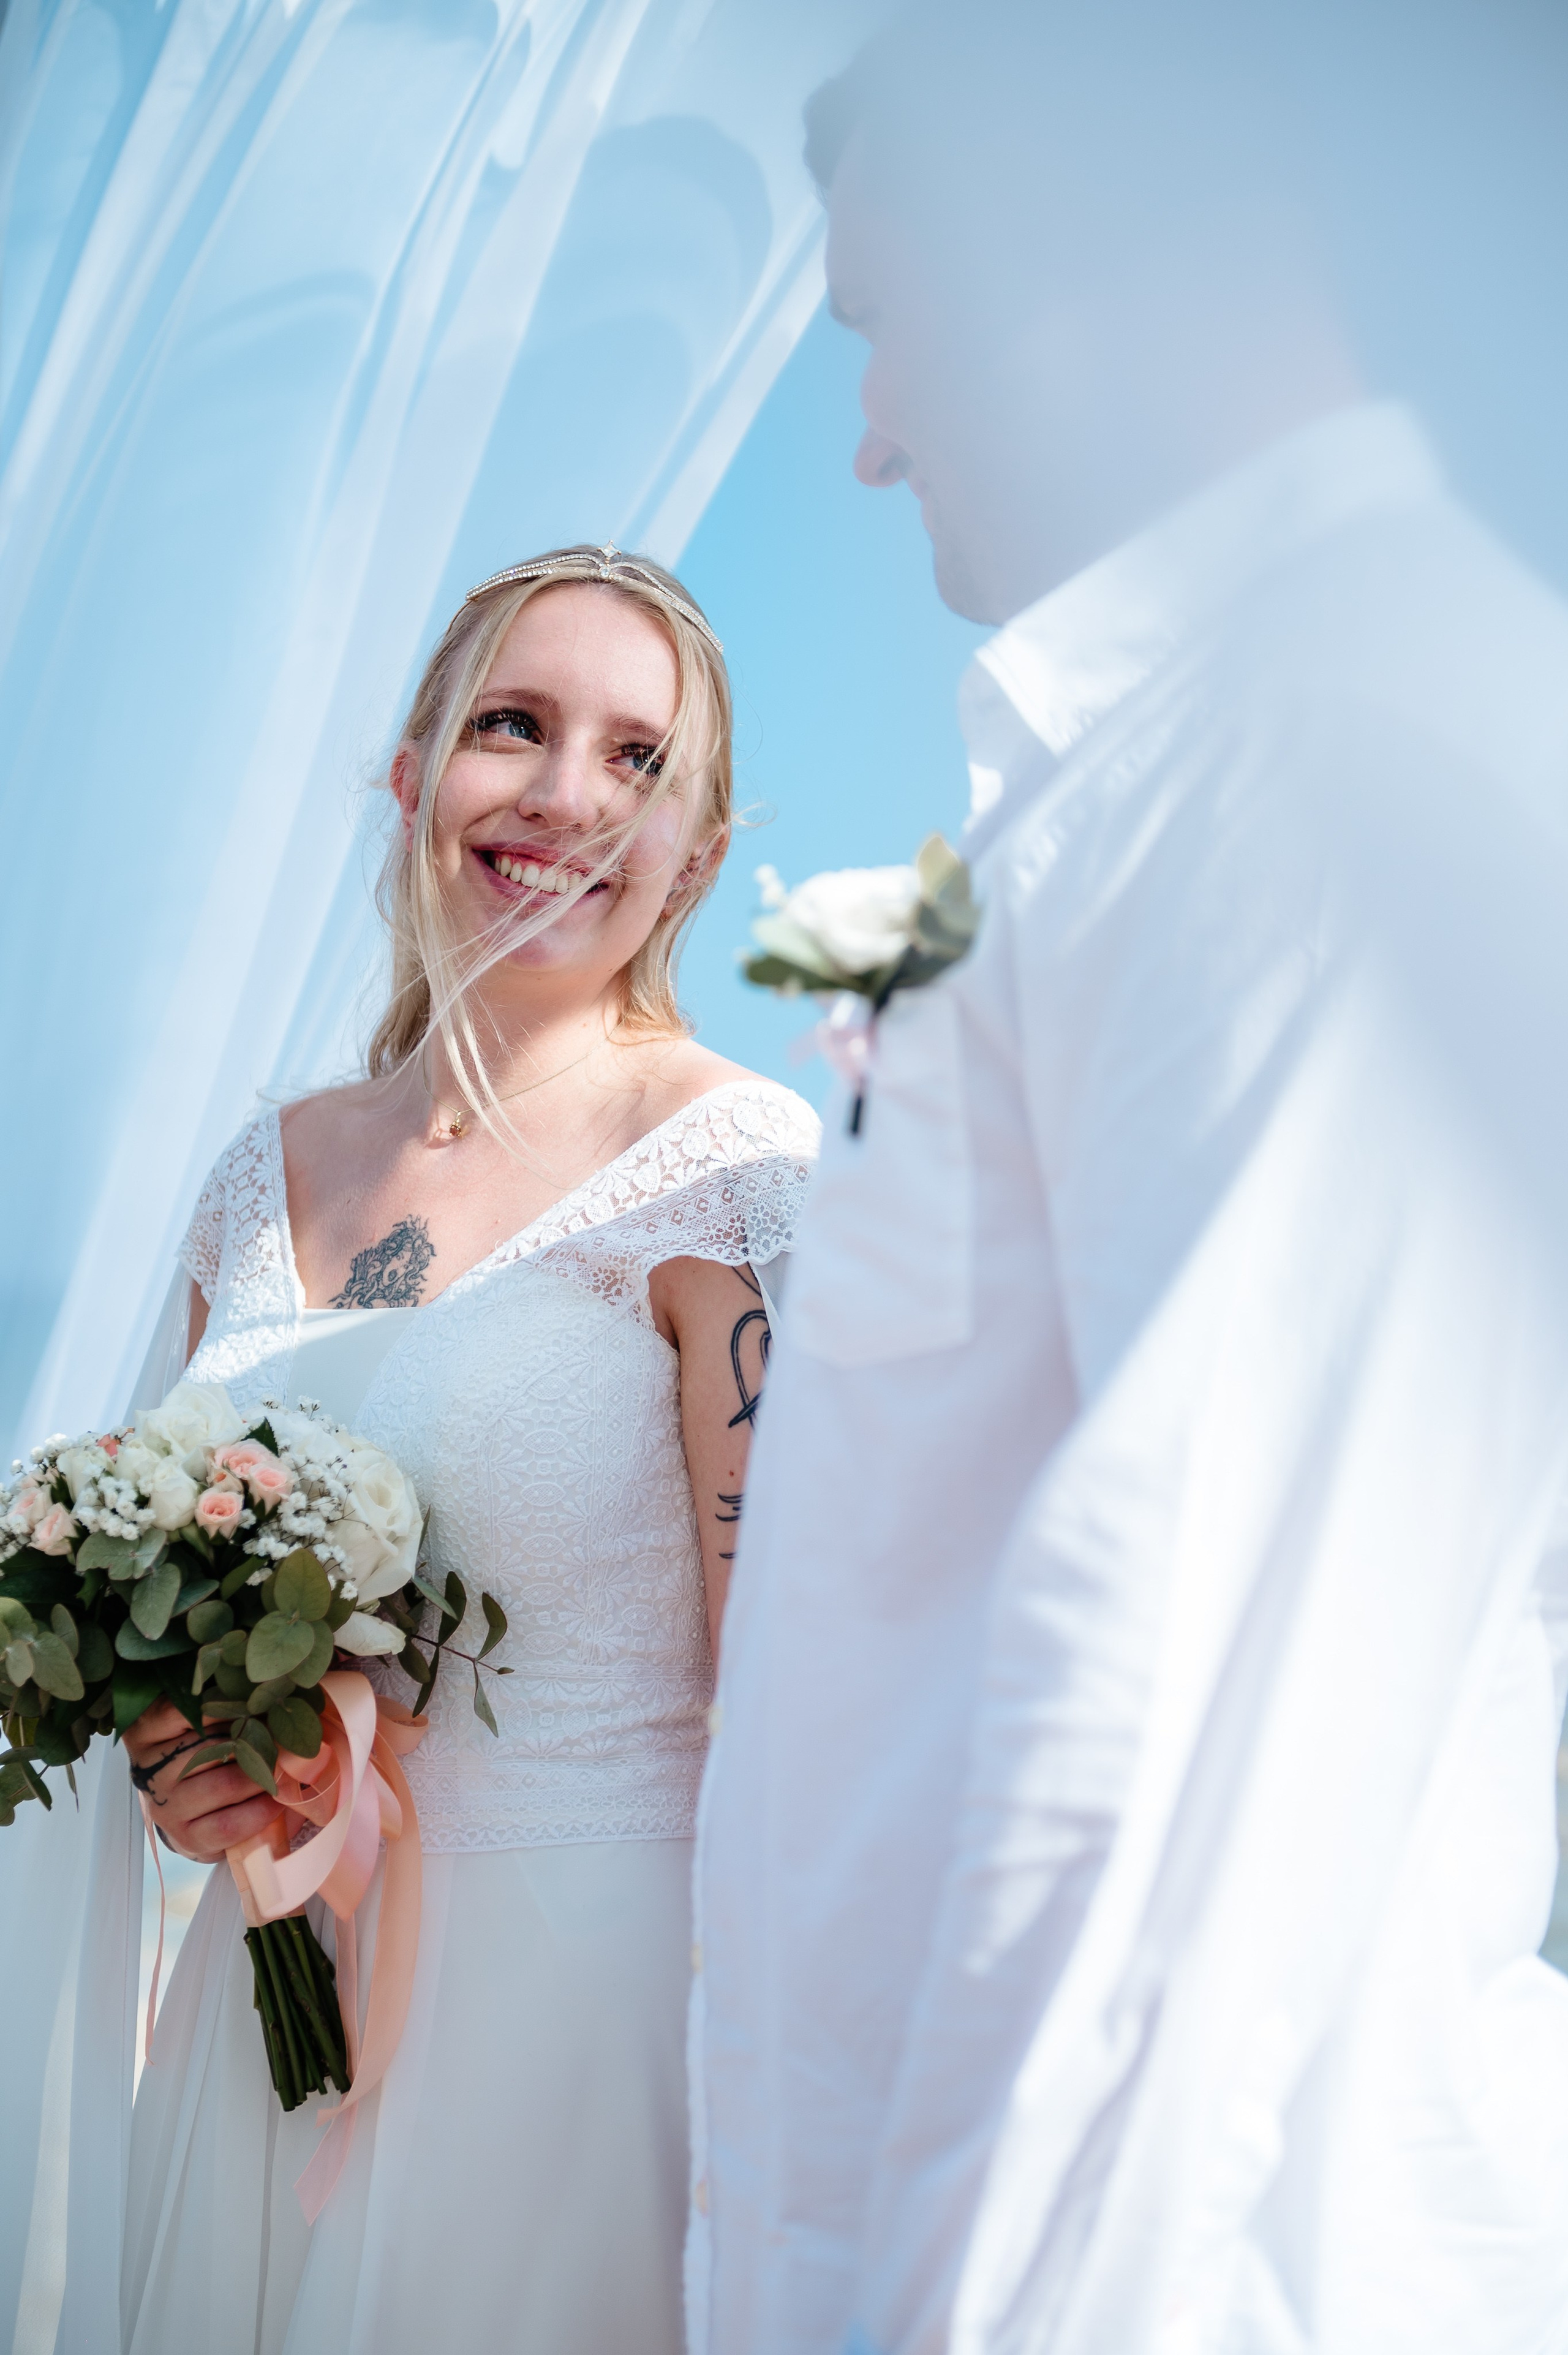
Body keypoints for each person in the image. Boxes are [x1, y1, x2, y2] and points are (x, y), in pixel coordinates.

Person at [691, 8, 1568, 2353]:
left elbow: (1181, 1784)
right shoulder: (1126, 787)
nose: (864, 443)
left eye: (890, 329)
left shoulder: (1324, 748)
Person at [110, 545, 818, 2353]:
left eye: (639, 758)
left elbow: (804, 1708)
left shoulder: (732, 1167)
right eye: (515, 723)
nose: (567, 795)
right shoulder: (256, 1180)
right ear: (417, 769)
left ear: (699, 858)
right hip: (269, 2022)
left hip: (576, 2027)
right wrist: (190, 1764)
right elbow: (177, 1624)